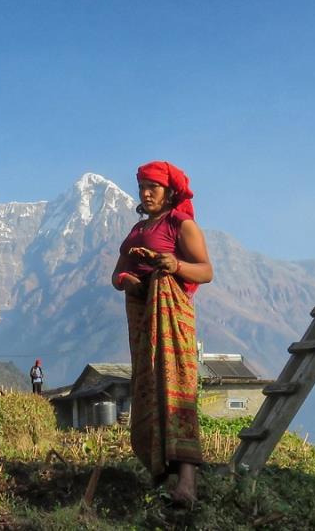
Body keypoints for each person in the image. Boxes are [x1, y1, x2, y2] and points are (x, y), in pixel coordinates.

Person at [112, 160, 213, 505]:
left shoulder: (181, 225)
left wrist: (174, 265)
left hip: (171, 316)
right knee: (147, 387)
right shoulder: (136, 232)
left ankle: (187, 481)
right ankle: (160, 473)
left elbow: (206, 271)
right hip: (142, 316)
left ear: (169, 192)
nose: (145, 193)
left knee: (176, 389)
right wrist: (130, 280)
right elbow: (117, 275)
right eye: (142, 187)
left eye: (152, 187)